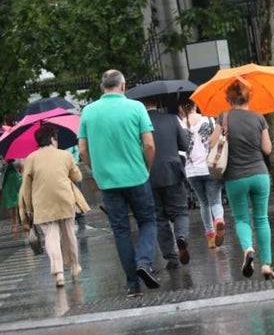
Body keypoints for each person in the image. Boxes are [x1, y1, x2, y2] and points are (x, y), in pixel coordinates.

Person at [78, 69, 160, 298]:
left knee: (120, 230)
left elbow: (83, 149)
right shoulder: (136, 108)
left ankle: (133, 285)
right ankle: (144, 262)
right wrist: (147, 168)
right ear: (123, 86)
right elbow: (150, 145)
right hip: (137, 176)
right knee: (148, 221)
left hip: (108, 182)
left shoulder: (88, 112)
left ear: (101, 86)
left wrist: (97, 170)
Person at [209, 81, 274, 280]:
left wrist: (224, 134)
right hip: (259, 174)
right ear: (249, 97)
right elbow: (267, 149)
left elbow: (212, 143)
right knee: (262, 218)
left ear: (228, 99)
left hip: (235, 177)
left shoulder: (224, 117)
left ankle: (248, 249)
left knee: (241, 218)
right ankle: (266, 265)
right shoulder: (259, 118)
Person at [18, 126, 89, 288]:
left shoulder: (30, 158)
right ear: (52, 139)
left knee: (51, 236)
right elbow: (77, 176)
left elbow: (26, 187)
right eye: (56, 138)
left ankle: (58, 273)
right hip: (65, 199)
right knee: (69, 233)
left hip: (42, 203)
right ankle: (74, 265)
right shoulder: (65, 155)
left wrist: (29, 209)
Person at [143, 97, 191, 270]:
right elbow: (185, 145)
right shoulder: (171, 119)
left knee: (159, 217)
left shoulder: (138, 123)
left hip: (149, 174)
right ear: (157, 103)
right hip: (173, 171)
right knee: (180, 212)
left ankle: (171, 258)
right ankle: (181, 236)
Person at [180, 102, 225, 249]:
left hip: (192, 171)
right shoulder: (209, 120)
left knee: (204, 203)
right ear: (195, 105)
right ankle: (218, 219)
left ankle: (211, 237)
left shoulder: (180, 124)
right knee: (215, 201)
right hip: (210, 167)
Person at [2, 159, 22, 237]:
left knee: (14, 202)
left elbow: (20, 164)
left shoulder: (16, 157)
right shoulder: (4, 158)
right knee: (11, 203)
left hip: (13, 181)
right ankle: (14, 222)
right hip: (9, 182)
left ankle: (15, 222)